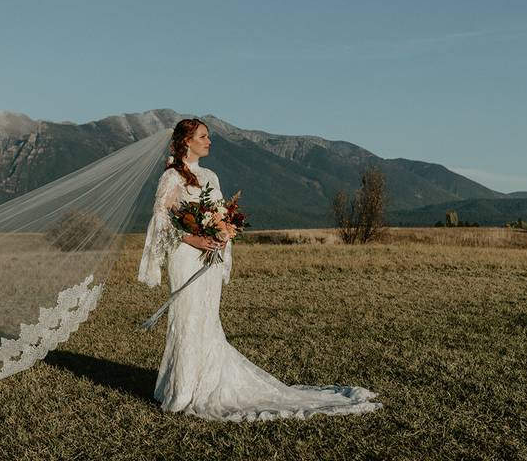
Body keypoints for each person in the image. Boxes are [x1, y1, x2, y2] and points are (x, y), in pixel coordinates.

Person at [138, 118, 384, 421]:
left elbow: (219, 212)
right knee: (187, 317)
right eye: (204, 136)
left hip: (209, 255)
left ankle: (208, 383)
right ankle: (182, 389)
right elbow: (162, 220)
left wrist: (223, 231)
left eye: (209, 136)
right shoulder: (172, 177)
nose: (209, 141)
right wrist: (195, 238)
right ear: (187, 141)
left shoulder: (211, 176)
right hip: (187, 256)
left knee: (207, 318)